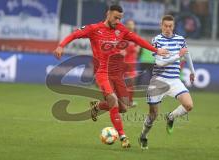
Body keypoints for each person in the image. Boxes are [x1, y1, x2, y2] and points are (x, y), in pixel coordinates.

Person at [53, 5, 168, 148]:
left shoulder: (121, 29)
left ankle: (97, 106)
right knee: (113, 100)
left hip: (116, 74)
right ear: (108, 14)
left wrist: (156, 50)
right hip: (101, 73)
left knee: (124, 108)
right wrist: (61, 45)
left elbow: (138, 40)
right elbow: (74, 34)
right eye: (115, 17)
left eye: (120, 18)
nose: (118, 20)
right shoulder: (94, 29)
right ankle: (123, 136)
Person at [138, 15, 195, 150]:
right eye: (165, 26)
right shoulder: (157, 40)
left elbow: (186, 54)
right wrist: (177, 55)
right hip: (158, 80)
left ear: (173, 26)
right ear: (161, 25)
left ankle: (171, 117)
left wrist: (192, 71)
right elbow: (159, 62)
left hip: (174, 79)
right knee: (153, 114)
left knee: (189, 105)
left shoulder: (180, 40)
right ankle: (143, 136)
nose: (168, 28)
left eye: (170, 26)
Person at [123, 19, 140, 104]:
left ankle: (129, 101)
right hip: (123, 63)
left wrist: (135, 49)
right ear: (126, 26)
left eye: (132, 24)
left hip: (132, 64)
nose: (130, 26)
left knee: (132, 84)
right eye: (128, 24)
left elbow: (138, 48)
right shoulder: (123, 36)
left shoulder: (135, 36)